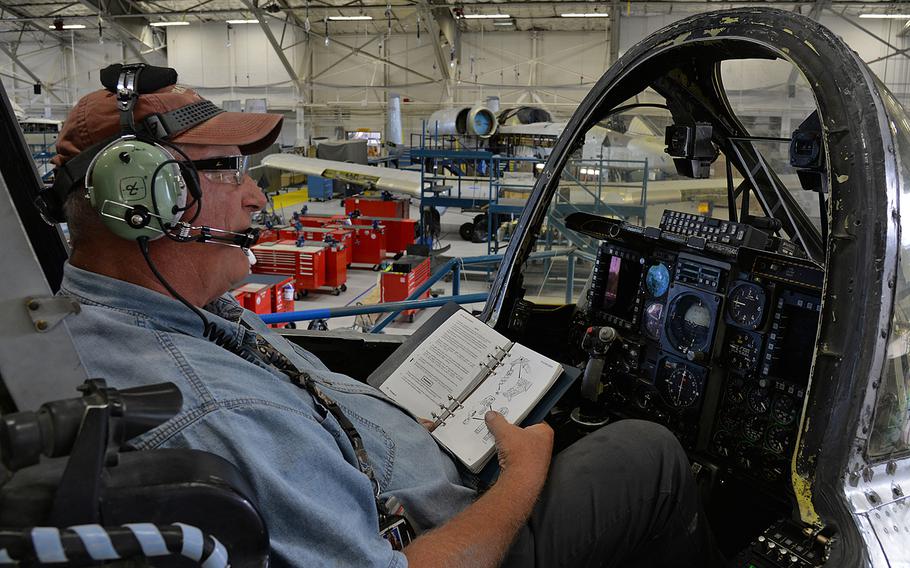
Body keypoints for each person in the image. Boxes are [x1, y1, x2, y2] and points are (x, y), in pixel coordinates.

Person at [51, 78, 720, 568]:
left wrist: (388, 427)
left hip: (404, 476)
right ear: (143, 199)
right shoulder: (203, 403)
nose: (256, 195)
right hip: (451, 537)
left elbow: (299, 419)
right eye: (227, 169)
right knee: (647, 454)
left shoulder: (157, 314)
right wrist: (520, 475)